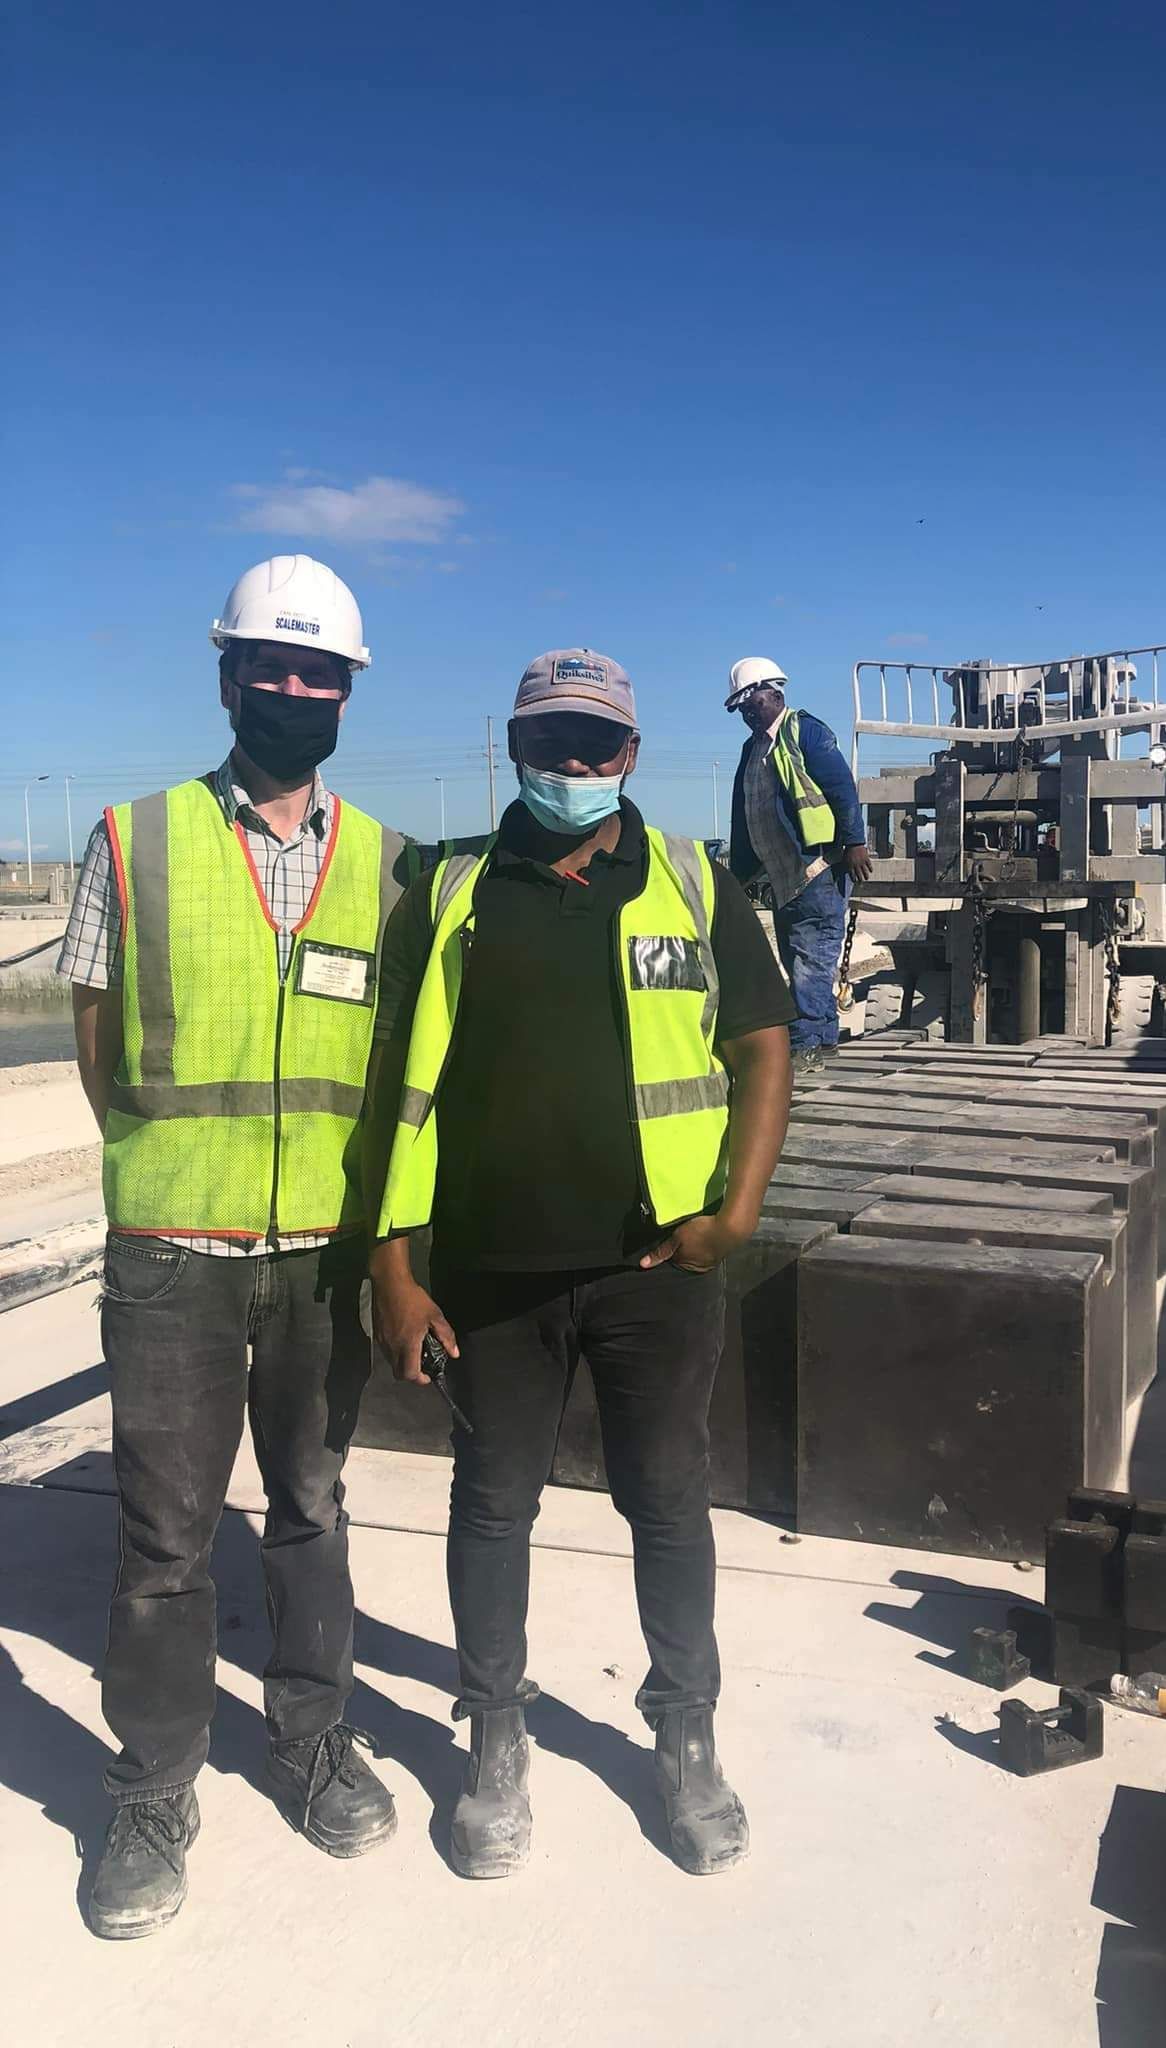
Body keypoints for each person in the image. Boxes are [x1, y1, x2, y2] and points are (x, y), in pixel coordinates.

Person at [366, 648, 794, 1880]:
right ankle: (493, 1738)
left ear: (633, 756)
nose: (573, 764)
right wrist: (393, 1262)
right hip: (490, 1273)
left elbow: (762, 1041)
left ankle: (686, 1739)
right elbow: (398, 1084)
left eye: (596, 745)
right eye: (551, 741)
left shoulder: (689, 879)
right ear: (515, 746)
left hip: (654, 1265)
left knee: (666, 1499)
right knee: (493, 1505)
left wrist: (738, 1207)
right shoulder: (449, 887)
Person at [59, 555, 412, 1939]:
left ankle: (311, 1739)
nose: (294, 692)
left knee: (313, 1508)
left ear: (345, 694)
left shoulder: (383, 862)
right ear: (227, 680)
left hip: (320, 1256)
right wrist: (170, 1170)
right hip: (173, 1254)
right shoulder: (134, 839)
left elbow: (392, 1062)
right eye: (271, 669)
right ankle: (152, 1790)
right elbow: (98, 1042)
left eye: (319, 674)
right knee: (165, 1540)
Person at [725, 657, 870, 1073]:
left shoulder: (805, 732)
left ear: (776, 693)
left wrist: (855, 841)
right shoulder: (753, 749)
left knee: (811, 963)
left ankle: (805, 1045)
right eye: (742, 707)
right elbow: (744, 813)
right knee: (797, 961)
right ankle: (822, 1042)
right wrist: (740, 872)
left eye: (753, 701)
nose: (749, 712)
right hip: (783, 876)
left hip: (818, 870)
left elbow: (841, 787)